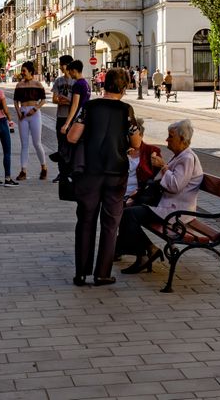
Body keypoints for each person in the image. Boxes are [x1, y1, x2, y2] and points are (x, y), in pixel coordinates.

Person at [65, 68, 141, 286]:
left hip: (89, 172)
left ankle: (81, 273)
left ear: (103, 84)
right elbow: (136, 143)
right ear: (124, 87)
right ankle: (102, 273)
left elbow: (72, 136)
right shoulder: (127, 111)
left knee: (86, 221)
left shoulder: (89, 107)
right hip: (116, 173)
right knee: (110, 224)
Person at [118, 119, 204, 274]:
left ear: (182, 140)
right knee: (128, 211)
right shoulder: (180, 156)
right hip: (168, 207)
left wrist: (163, 167)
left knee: (128, 215)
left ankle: (146, 252)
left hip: (176, 212)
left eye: (171, 136)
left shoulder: (187, 158)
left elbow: (174, 186)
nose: (167, 140)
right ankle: (145, 250)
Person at [13, 61, 48, 181]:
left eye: (24, 71)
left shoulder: (38, 84)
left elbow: (43, 100)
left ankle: (44, 167)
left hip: (34, 113)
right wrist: (18, 113)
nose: (22, 73)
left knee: (37, 142)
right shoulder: (19, 85)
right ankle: (23, 170)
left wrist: (35, 109)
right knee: (24, 144)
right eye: (22, 71)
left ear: (30, 72)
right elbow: (15, 101)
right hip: (23, 114)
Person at [59, 60, 91, 148]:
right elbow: (82, 101)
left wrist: (66, 123)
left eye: (70, 71)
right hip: (84, 117)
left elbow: (75, 105)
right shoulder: (86, 84)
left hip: (76, 118)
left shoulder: (78, 84)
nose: (69, 74)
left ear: (74, 71)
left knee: (71, 144)